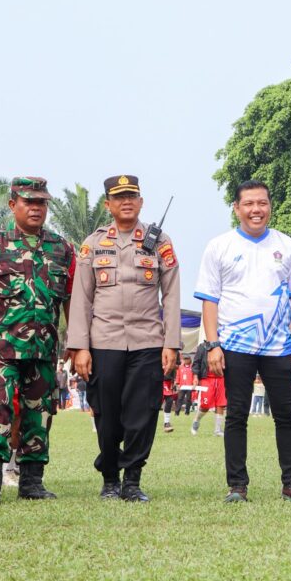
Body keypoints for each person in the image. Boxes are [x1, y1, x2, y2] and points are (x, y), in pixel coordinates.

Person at [194, 179, 291, 503]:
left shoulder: (287, 246)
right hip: (234, 346)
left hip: (279, 347)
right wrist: (212, 344)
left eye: (262, 203)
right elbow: (210, 300)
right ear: (237, 208)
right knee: (236, 414)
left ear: (270, 206)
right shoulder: (219, 247)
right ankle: (237, 485)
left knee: (286, 415)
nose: (256, 210)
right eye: (249, 203)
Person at [67, 175, 181, 502]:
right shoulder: (93, 243)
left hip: (147, 341)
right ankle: (109, 479)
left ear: (142, 201)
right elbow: (82, 299)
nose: (126, 201)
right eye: (119, 197)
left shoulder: (160, 242)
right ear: (108, 204)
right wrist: (80, 348)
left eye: (132, 195)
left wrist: (171, 342)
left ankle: (132, 480)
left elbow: (171, 295)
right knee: (107, 415)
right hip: (104, 343)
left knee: (142, 414)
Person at [0, 177, 74, 503]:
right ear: (13, 205)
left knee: (37, 415)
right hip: (0, 348)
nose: (36, 208)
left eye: (41, 202)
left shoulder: (61, 248)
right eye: (29, 202)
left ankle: (32, 483)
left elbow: (68, 301)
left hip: (43, 350)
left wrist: (75, 343)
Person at [189, 340, 226, 435]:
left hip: (221, 377)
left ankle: (217, 430)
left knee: (221, 404)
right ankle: (196, 420)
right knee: (206, 405)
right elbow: (196, 363)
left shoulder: (225, 345)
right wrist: (195, 377)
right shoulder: (202, 347)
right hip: (207, 378)